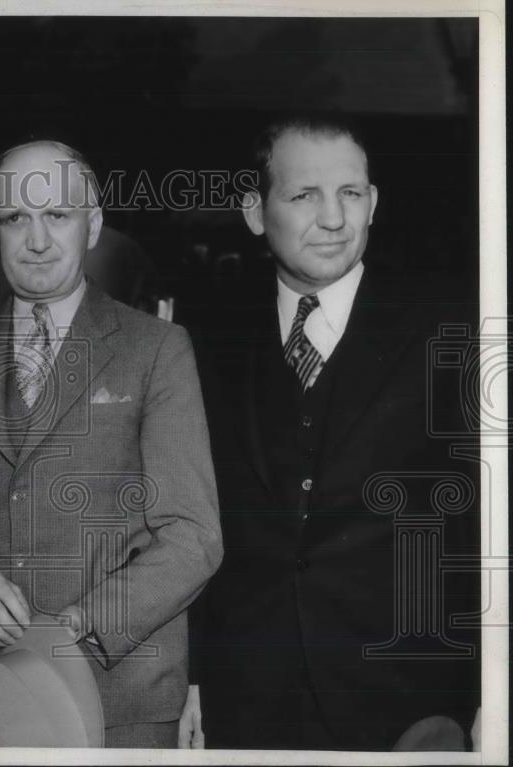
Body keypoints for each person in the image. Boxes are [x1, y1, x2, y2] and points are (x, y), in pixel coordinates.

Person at [0, 140, 222, 748]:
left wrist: (75, 630)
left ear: (92, 225)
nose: (37, 240)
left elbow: (192, 536)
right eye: (16, 218)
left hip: (119, 698)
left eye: (57, 215)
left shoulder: (157, 349)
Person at [184, 114, 480, 750]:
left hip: (408, 700)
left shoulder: (452, 327)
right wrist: (194, 680)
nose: (334, 218)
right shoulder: (205, 334)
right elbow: (195, 519)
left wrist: (485, 693)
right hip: (248, 701)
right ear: (255, 213)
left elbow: (483, 526)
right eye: (303, 195)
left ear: (373, 203)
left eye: (350, 193)